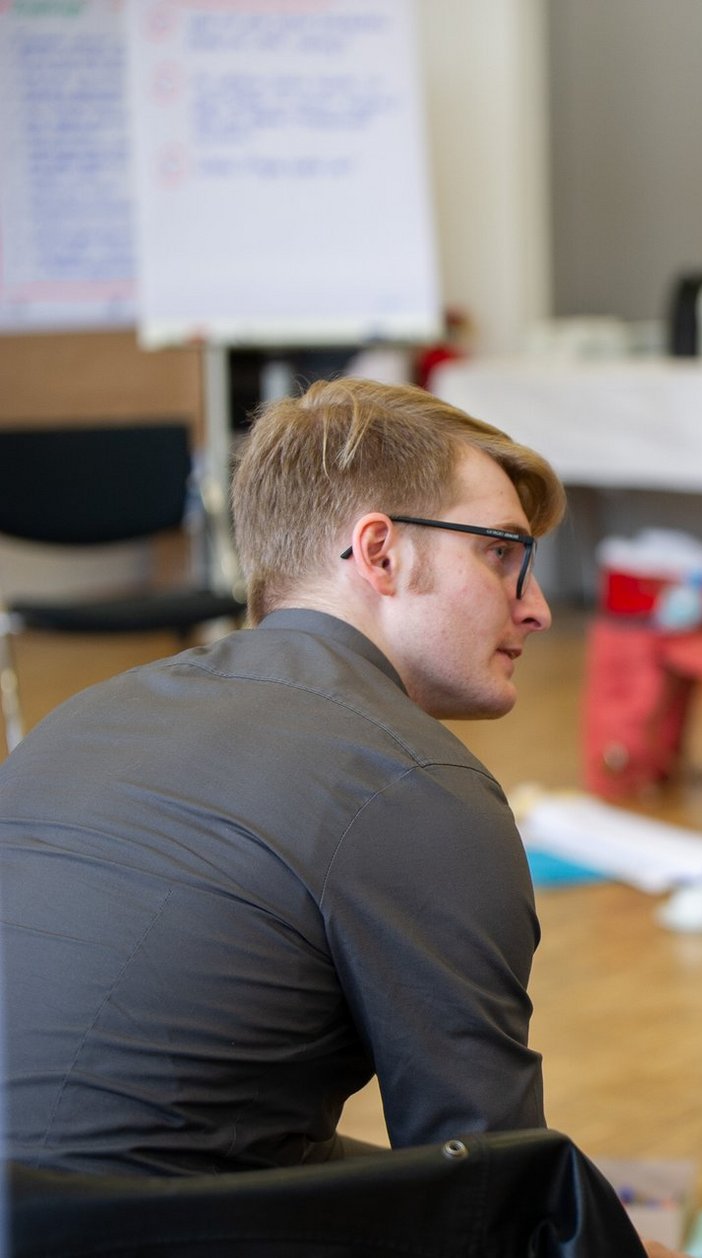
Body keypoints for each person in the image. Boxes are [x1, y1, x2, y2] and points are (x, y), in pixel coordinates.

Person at [2, 379, 565, 1177]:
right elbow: (484, 1178)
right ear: (381, 553)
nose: (536, 607)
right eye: (501, 553)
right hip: (105, 1223)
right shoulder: (415, 782)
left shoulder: (85, 715)